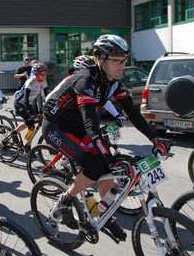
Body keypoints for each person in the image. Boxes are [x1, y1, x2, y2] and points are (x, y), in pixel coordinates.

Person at [42, 35, 164, 240]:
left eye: (124, 60)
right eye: (116, 60)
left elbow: (132, 113)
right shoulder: (86, 80)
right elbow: (91, 123)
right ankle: (65, 202)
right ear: (101, 59)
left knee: (109, 168)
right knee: (96, 166)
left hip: (79, 127)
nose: (121, 65)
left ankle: (102, 214)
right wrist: (105, 154)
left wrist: (155, 139)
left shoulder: (114, 82)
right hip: (57, 127)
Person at [11, 63, 48, 140]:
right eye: (42, 74)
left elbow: (47, 96)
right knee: (30, 122)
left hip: (29, 103)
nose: (44, 76)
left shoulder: (43, 81)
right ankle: (14, 133)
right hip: (20, 103)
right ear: (36, 74)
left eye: (45, 74)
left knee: (31, 126)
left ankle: (27, 145)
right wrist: (30, 113)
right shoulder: (31, 82)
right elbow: (25, 99)